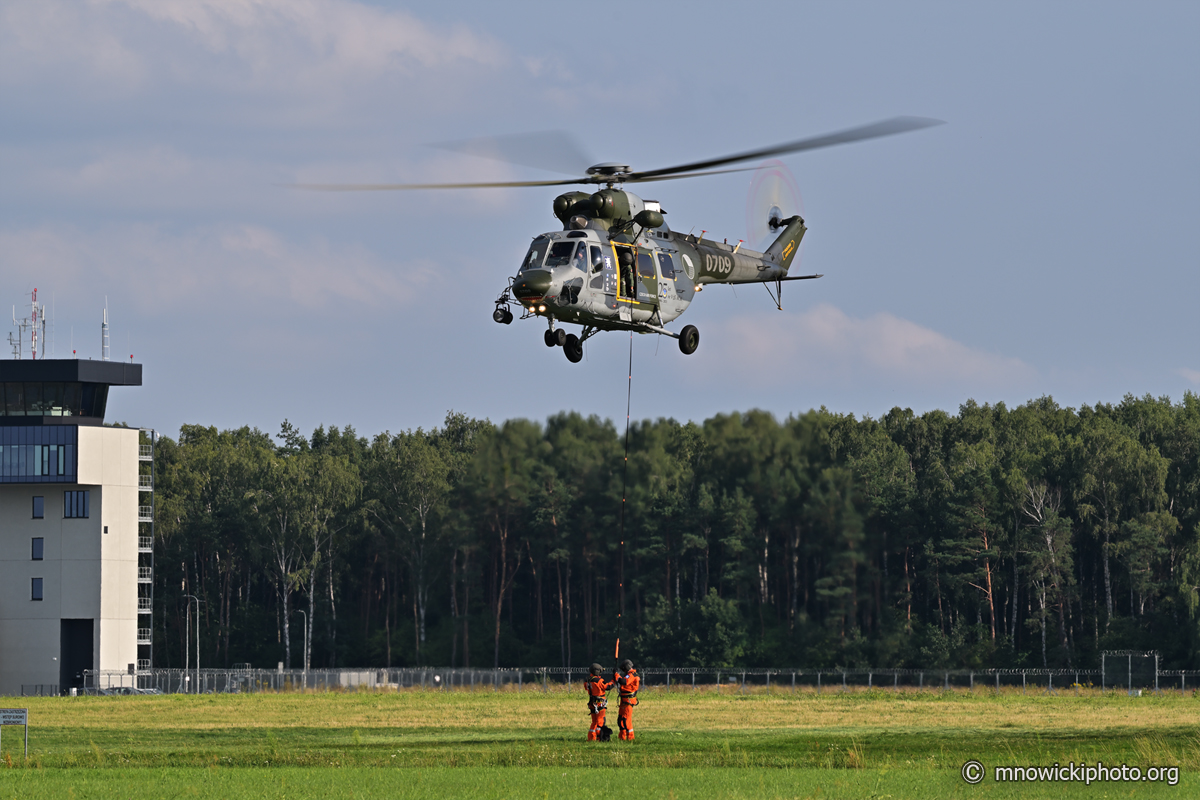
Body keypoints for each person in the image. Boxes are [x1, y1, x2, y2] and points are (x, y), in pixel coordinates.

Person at [614, 658, 640, 741]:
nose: (624, 671)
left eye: (624, 669)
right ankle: (622, 737)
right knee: (620, 719)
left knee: (626, 720)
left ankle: (630, 737)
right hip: (623, 700)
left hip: (628, 700)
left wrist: (616, 675)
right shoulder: (628, 675)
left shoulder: (632, 675)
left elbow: (624, 682)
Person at [585, 663, 613, 741]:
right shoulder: (599, 681)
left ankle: (591, 737)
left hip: (592, 703)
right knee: (600, 722)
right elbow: (607, 687)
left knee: (594, 721)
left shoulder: (587, 680)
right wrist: (613, 681)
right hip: (599, 703)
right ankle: (600, 738)